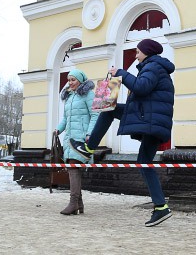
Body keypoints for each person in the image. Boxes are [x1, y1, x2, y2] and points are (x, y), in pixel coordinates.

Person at [70, 38, 175, 227]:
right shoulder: (154, 67)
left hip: (151, 120)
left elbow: (141, 87)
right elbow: (143, 92)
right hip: (152, 120)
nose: (135, 55)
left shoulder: (153, 67)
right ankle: (161, 207)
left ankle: (88, 147)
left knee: (109, 110)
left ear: (147, 52)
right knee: (144, 162)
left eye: (137, 51)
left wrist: (121, 74)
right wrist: (113, 82)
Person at [55, 69, 98, 215]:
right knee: (73, 169)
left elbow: (95, 115)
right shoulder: (69, 97)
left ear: (80, 80)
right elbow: (66, 119)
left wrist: (90, 134)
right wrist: (58, 130)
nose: (70, 82)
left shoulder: (88, 94)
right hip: (69, 138)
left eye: (73, 79)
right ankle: (78, 204)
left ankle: (74, 202)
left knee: (73, 169)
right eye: (69, 80)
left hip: (81, 138)